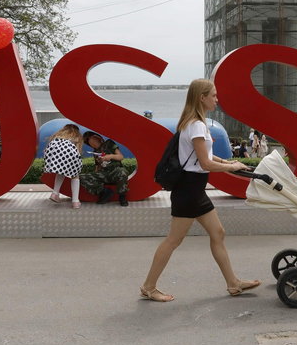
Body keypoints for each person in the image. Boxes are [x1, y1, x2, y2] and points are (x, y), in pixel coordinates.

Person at [140, 78, 260, 302]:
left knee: (218, 233)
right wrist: (231, 167)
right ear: (201, 98)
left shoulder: (193, 122)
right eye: (213, 96)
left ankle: (233, 283)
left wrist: (227, 162)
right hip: (189, 190)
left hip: (195, 190)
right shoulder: (195, 124)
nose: (217, 99)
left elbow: (203, 155)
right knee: (173, 241)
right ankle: (148, 287)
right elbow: (204, 163)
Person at [81, 131, 130, 206]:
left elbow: (121, 157)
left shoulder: (109, 143)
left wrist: (109, 156)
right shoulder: (95, 152)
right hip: (104, 174)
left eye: (93, 139)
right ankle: (104, 192)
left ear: (98, 138)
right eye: (89, 142)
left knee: (122, 171)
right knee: (82, 177)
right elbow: (97, 168)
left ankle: (122, 196)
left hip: (115, 171)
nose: (92, 142)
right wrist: (100, 162)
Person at [43, 124, 84, 209]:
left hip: (54, 152)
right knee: (75, 175)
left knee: (61, 170)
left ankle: (55, 193)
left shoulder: (58, 135)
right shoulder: (76, 136)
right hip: (70, 152)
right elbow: (77, 151)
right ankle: (75, 201)